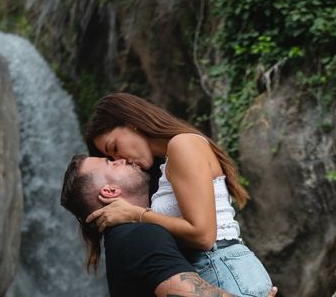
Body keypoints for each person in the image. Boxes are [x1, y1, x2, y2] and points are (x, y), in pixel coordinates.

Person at [83, 93, 273, 297]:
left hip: (222, 269)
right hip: (219, 273)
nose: (121, 159)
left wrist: (136, 214)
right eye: (111, 158)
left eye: (115, 148)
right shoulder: (165, 166)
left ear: (132, 123)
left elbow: (203, 236)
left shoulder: (183, 145)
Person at [60, 154, 276, 296]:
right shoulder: (138, 237)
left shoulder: (124, 240)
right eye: (111, 162)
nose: (122, 159)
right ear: (109, 191)